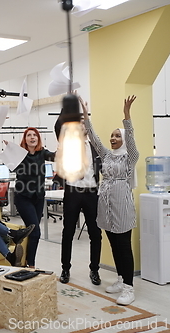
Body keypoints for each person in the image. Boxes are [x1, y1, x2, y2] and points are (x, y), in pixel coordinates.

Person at [82, 95, 139, 306]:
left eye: (117, 136)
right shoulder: (106, 155)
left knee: (124, 245)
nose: (113, 138)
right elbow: (94, 139)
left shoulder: (130, 157)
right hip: (105, 203)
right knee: (114, 245)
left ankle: (129, 288)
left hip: (121, 201)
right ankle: (121, 279)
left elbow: (131, 138)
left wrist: (126, 116)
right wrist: (86, 116)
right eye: (112, 136)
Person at [54, 100, 103, 286]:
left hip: (91, 193)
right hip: (73, 192)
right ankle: (65, 268)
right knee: (68, 232)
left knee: (95, 234)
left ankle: (94, 269)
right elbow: (58, 126)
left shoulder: (96, 147)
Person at [4, 128, 55, 268]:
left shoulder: (42, 153)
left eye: (35, 135)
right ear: (24, 139)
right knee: (35, 231)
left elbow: (55, 157)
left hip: (38, 198)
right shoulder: (20, 154)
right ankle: (31, 264)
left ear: (38, 138)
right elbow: (11, 167)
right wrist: (10, 152)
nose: (32, 137)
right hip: (23, 197)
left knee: (32, 231)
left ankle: (22, 260)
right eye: (29, 135)